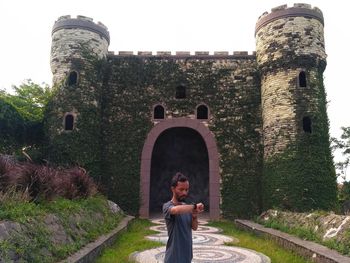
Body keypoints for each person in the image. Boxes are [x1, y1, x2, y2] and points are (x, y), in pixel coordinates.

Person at [162, 172, 204, 263]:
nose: (184, 192)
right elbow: (176, 210)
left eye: (186, 189)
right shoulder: (167, 206)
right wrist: (194, 207)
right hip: (173, 257)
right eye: (181, 189)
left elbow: (194, 227)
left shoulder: (186, 207)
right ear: (173, 189)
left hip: (187, 256)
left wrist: (194, 217)